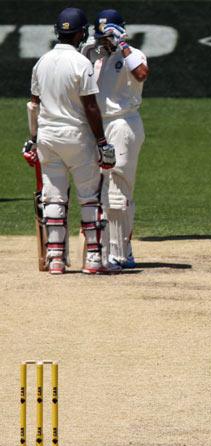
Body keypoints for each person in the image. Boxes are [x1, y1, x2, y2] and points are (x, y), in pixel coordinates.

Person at [22, 7, 116, 275]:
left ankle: (55, 259)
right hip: (76, 136)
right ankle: (94, 260)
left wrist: (32, 140)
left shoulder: (41, 61)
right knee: (89, 197)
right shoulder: (80, 63)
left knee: (54, 196)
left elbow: (33, 106)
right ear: (81, 33)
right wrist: (102, 142)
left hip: (48, 138)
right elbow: (91, 107)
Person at [82, 9, 149, 269]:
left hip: (123, 123)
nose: (103, 42)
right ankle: (112, 249)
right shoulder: (95, 55)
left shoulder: (134, 54)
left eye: (108, 37)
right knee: (100, 190)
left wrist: (122, 46)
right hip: (99, 125)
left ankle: (121, 253)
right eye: (101, 37)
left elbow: (142, 74)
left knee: (119, 187)